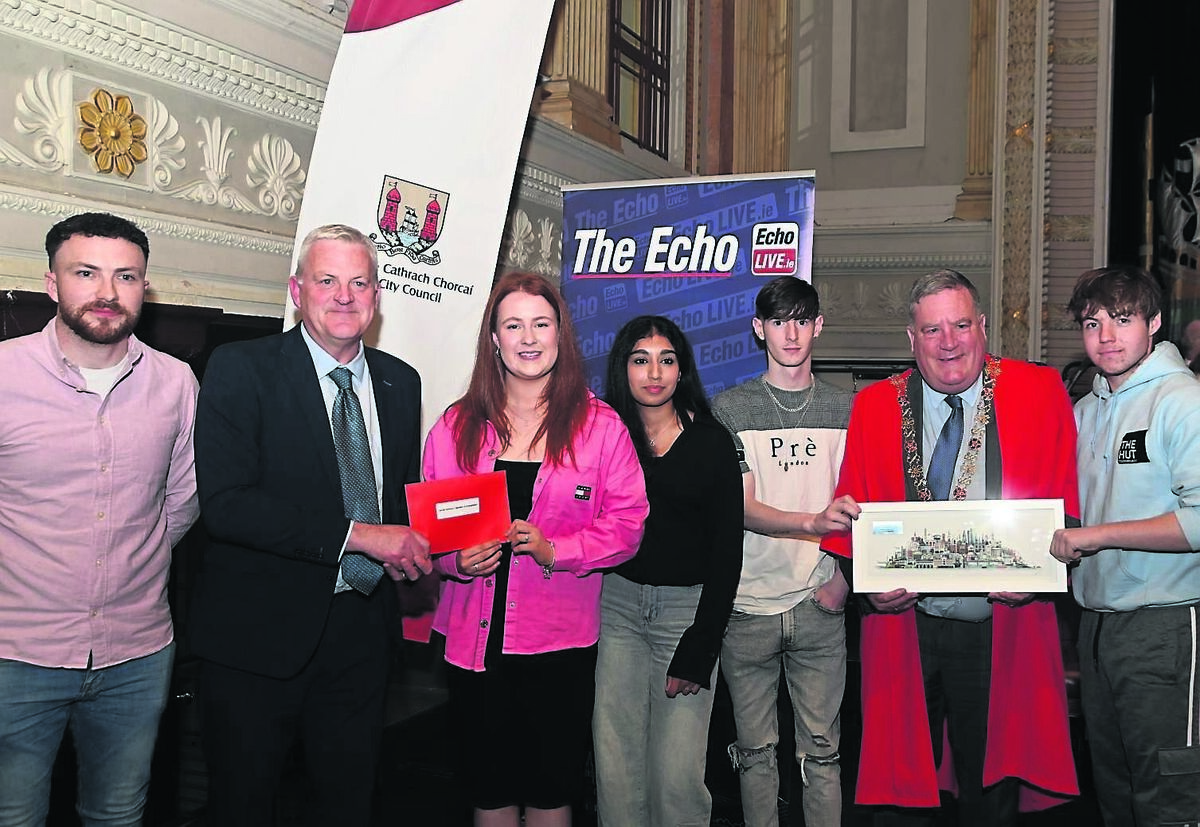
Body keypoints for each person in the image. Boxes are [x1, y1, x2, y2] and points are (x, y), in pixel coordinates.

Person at [189, 224, 432, 827]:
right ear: (298, 291)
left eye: (359, 282)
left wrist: (437, 537)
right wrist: (359, 534)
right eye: (327, 281)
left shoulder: (402, 381)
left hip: (362, 635)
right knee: (243, 805)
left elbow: (400, 497)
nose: (344, 296)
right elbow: (227, 504)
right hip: (257, 639)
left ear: (376, 297)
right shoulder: (240, 367)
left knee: (347, 804)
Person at [822, 269, 1079, 826]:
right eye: (932, 330)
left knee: (991, 788)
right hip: (905, 627)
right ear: (911, 340)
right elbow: (852, 514)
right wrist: (867, 590)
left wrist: (1037, 572)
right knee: (902, 792)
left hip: (999, 624)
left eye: (961, 325)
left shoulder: (1037, 391)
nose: (949, 342)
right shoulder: (873, 406)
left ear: (982, 326)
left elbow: (1067, 500)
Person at [421, 271, 647, 827]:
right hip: (475, 644)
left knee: (552, 793)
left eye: (541, 324)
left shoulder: (601, 428)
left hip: (559, 646)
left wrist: (556, 549)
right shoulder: (455, 427)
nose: (528, 337)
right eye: (513, 324)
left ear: (560, 333)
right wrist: (454, 560)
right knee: (489, 791)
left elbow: (629, 523)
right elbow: (428, 533)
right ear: (494, 339)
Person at [0, 212, 199, 825]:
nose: (107, 293)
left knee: (117, 815)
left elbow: (181, 500)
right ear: (52, 283)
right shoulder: (4, 374)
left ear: (145, 287)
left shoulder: (175, 382)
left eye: (126, 276)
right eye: (85, 273)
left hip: (137, 654)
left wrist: (125, 568)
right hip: (16, 653)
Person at [1050, 266, 1200, 826]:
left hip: (1165, 621)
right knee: (1113, 784)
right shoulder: (1085, 410)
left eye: (1122, 319)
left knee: (1168, 788)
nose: (1106, 336)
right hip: (1095, 622)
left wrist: (1096, 536)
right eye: (1093, 323)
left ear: (1155, 322)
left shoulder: (1182, 401)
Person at [710, 275, 858, 827]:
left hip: (819, 603)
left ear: (818, 325)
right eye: (779, 321)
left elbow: (865, 503)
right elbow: (741, 509)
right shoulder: (731, 408)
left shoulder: (850, 410)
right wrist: (811, 521)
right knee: (754, 755)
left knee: (823, 752)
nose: (791, 333)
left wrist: (841, 584)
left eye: (802, 319)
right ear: (759, 329)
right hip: (746, 606)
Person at [593, 315, 744, 826]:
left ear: (682, 370)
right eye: (641, 360)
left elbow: (728, 552)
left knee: (677, 779)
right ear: (623, 369)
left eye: (666, 359)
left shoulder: (713, 444)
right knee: (616, 770)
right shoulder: (604, 437)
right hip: (616, 609)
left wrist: (702, 643)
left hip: (687, 614)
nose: (654, 372)